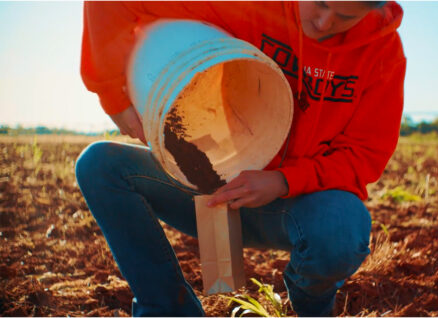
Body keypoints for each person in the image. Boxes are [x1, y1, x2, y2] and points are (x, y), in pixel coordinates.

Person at [77, 1, 406, 316]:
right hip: (211, 189)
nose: (324, 23)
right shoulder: (250, 4)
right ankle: (168, 311)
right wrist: (111, 94)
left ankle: (312, 308)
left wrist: (282, 181)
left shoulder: (382, 53)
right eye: (319, 3)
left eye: (345, 17)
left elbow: (364, 155)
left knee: (342, 228)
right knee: (100, 165)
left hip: (295, 207)